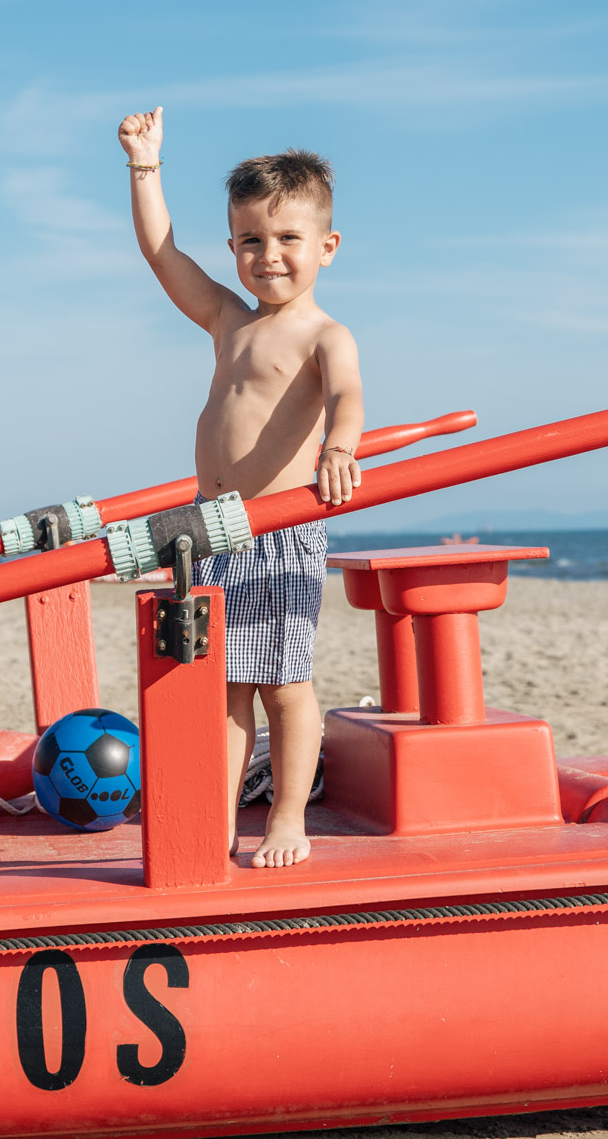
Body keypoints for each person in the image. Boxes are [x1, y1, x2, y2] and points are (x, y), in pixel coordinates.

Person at [119, 106, 363, 869]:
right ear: (232, 247)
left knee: (284, 686)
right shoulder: (229, 320)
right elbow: (162, 255)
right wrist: (144, 168)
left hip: (279, 532)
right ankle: (218, 816)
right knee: (224, 694)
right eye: (251, 241)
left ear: (326, 246)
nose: (269, 256)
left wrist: (341, 445)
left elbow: (348, 394)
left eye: (288, 239)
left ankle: (288, 817)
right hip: (213, 532)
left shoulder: (325, 335)